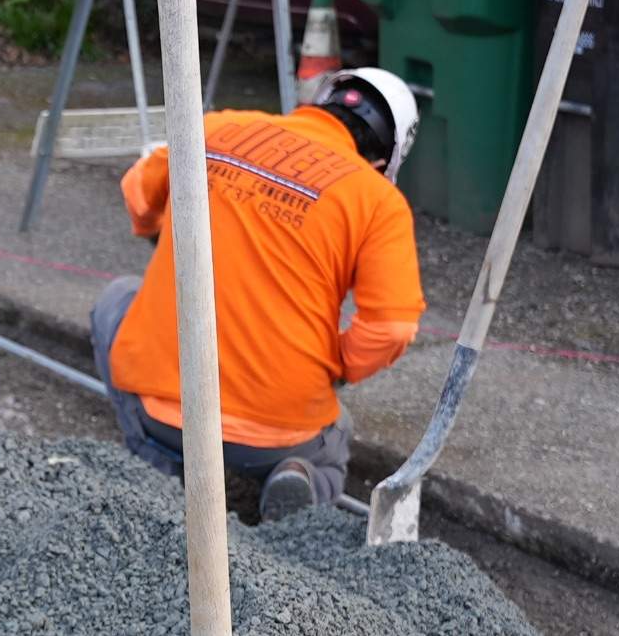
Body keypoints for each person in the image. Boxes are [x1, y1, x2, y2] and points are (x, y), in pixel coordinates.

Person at [92, 67, 426, 522]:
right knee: (336, 432)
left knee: (118, 297)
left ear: (320, 103)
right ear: (385, 159)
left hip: (166, 412)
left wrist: (155, 230)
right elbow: (390, 328)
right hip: (281, 431)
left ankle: (158, 462)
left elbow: (137, 193)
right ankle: (304, 476)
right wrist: (339, 367)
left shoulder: (216, 128)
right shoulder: (377, 201)